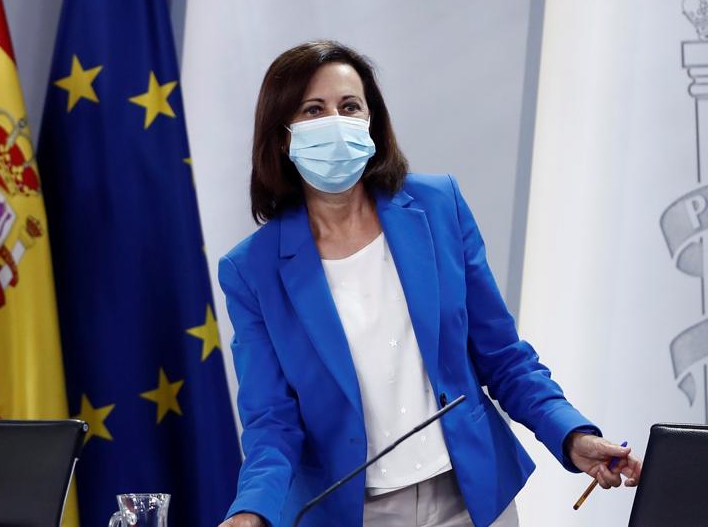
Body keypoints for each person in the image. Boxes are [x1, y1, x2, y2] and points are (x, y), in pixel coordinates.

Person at [217, 41, 641, 527]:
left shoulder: (439, 205)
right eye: (314, 110)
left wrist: (572, 436)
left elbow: (503, 357)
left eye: (350, 106)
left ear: (372, 121)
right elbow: (272, 421)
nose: (336, 122)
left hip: (472, 496)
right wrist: (251, 511)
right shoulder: (251, 270)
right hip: (352, 512)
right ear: (282, 136)